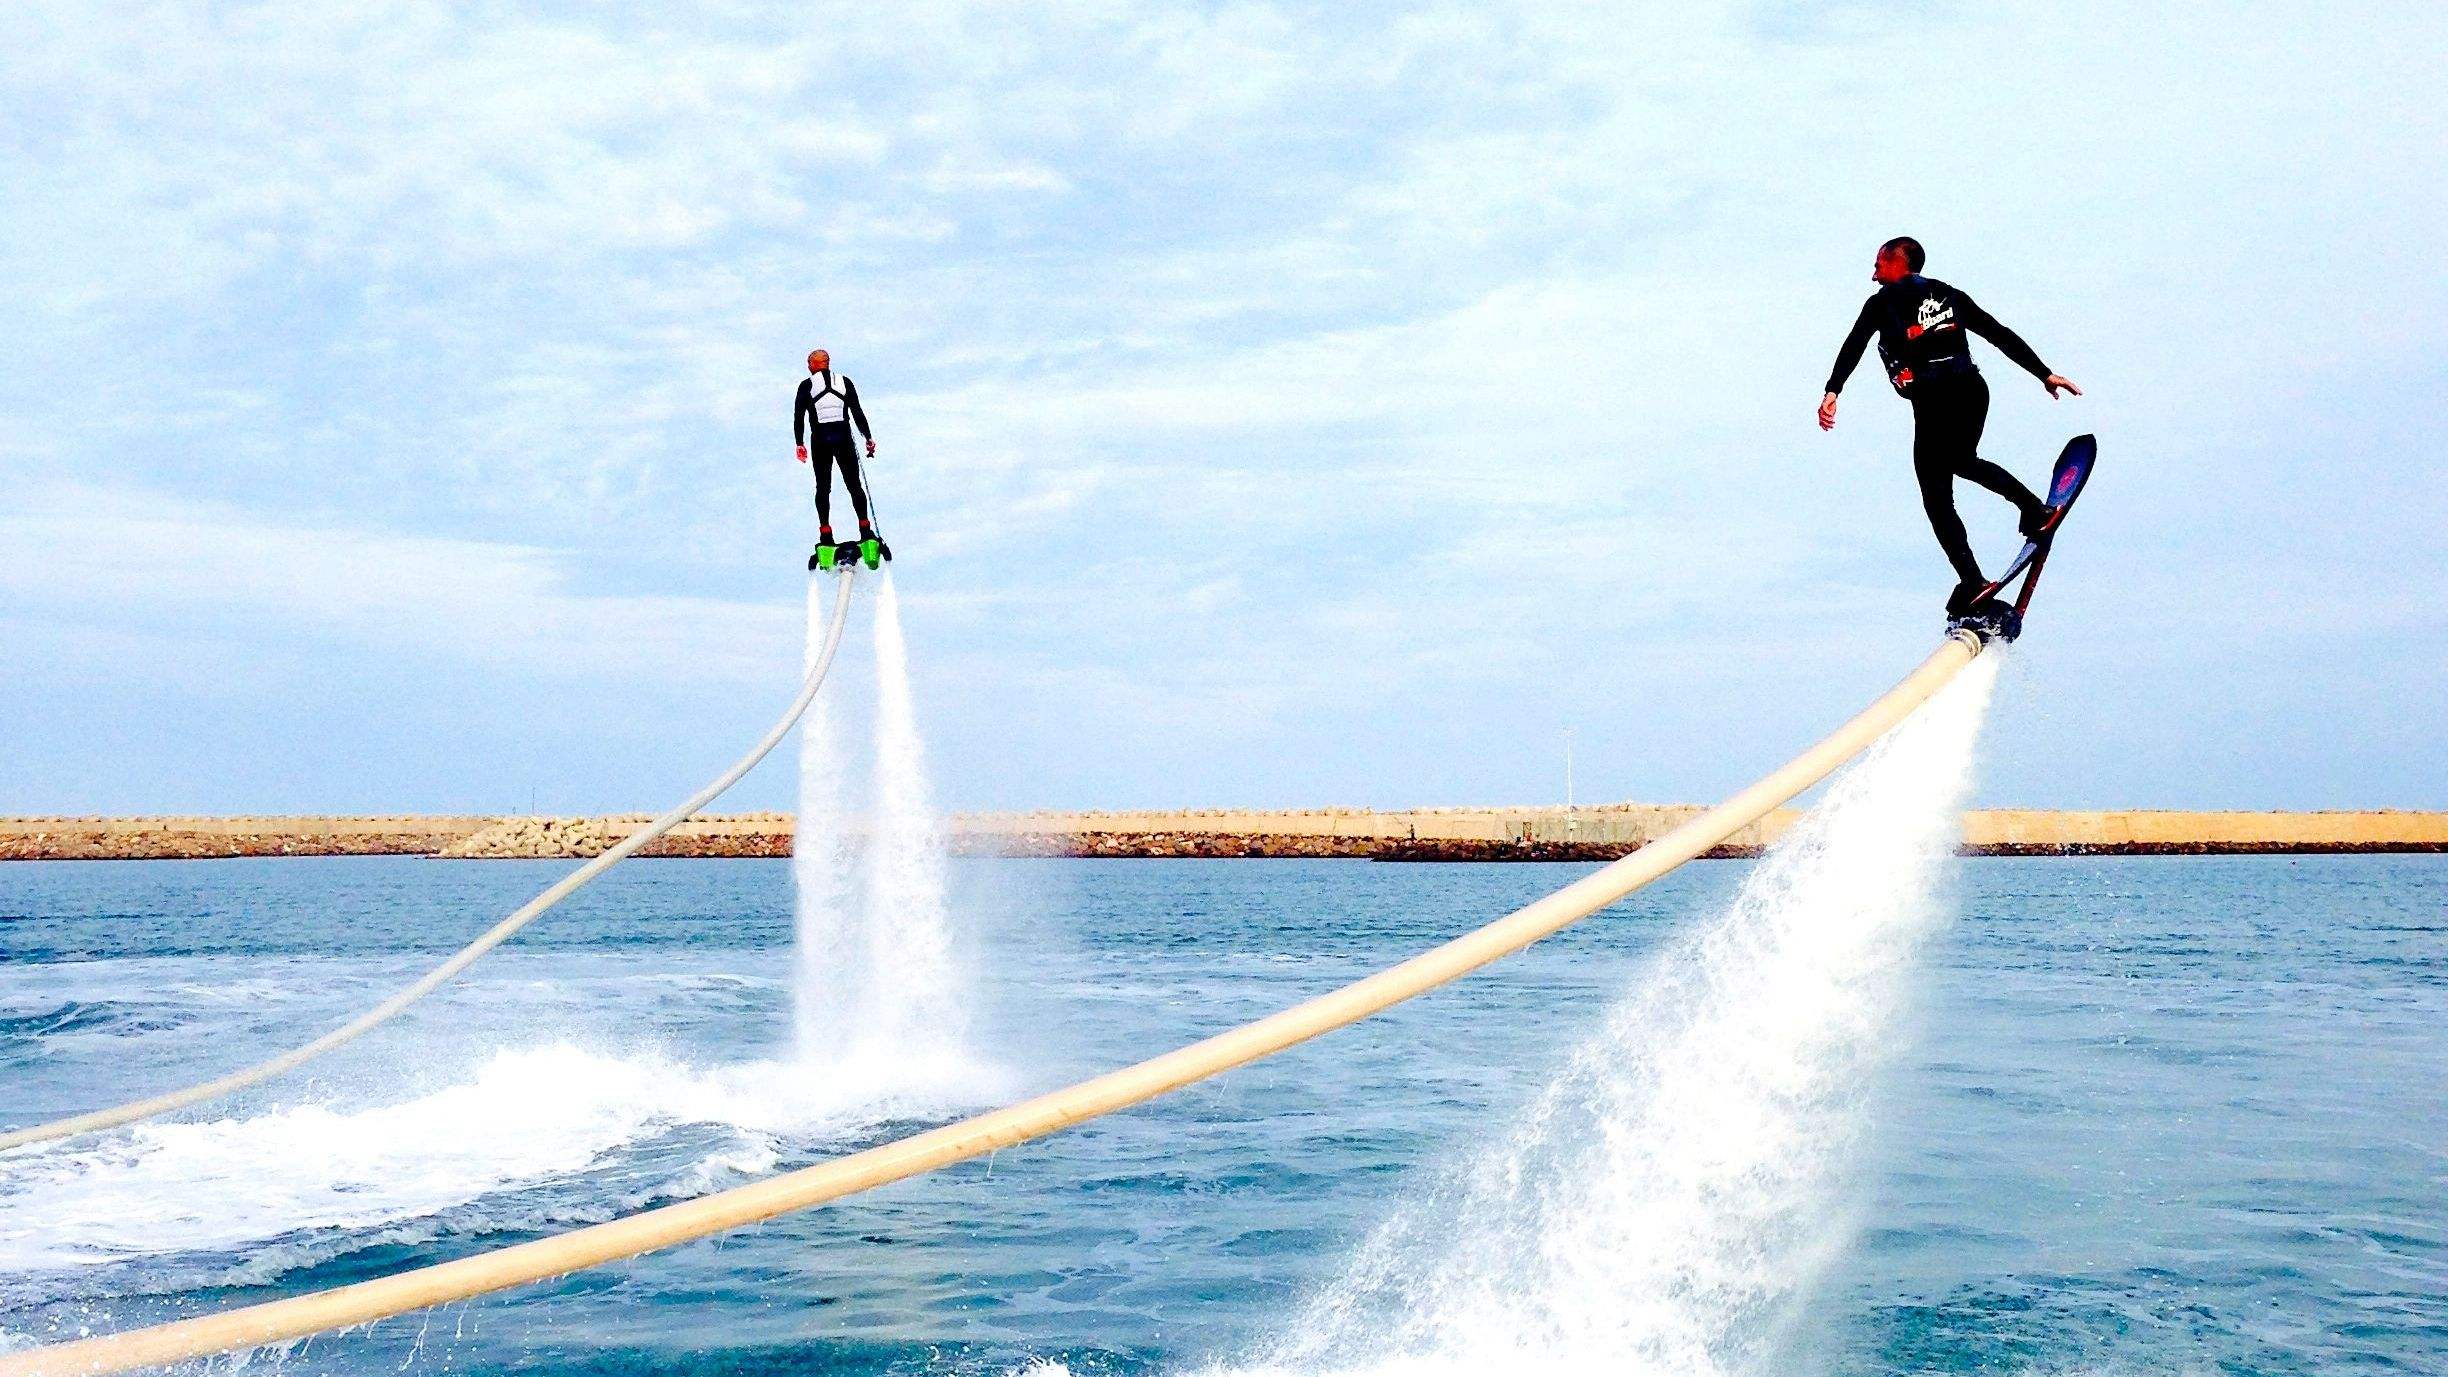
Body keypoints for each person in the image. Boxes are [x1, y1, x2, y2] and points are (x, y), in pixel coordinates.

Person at [1819, 237, 2082, 614]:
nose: (1873, 274)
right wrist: (2044, 373)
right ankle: (2034, 512)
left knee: (1936, 495)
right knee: (1962, 460)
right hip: (1973, 390)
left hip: (1935, 398)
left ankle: (1973, 579)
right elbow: (1997, 332)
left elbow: (1854, 344)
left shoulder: (1881, 303)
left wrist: (1833, 390)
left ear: (1898, 263)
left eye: (1878, 265)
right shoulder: (1949, 295)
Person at [793, 349, 882, 569]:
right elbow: (857, 413)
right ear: (828, 363)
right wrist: (868, 438)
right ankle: (865, 528)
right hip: (843, 439)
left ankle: (826, 532)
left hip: (820, 441)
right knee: (854, 485)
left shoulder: (806, 386)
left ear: (812, 365)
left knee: (823, 487)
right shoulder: (845, 382)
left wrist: (799, 444)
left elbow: (798, 417)